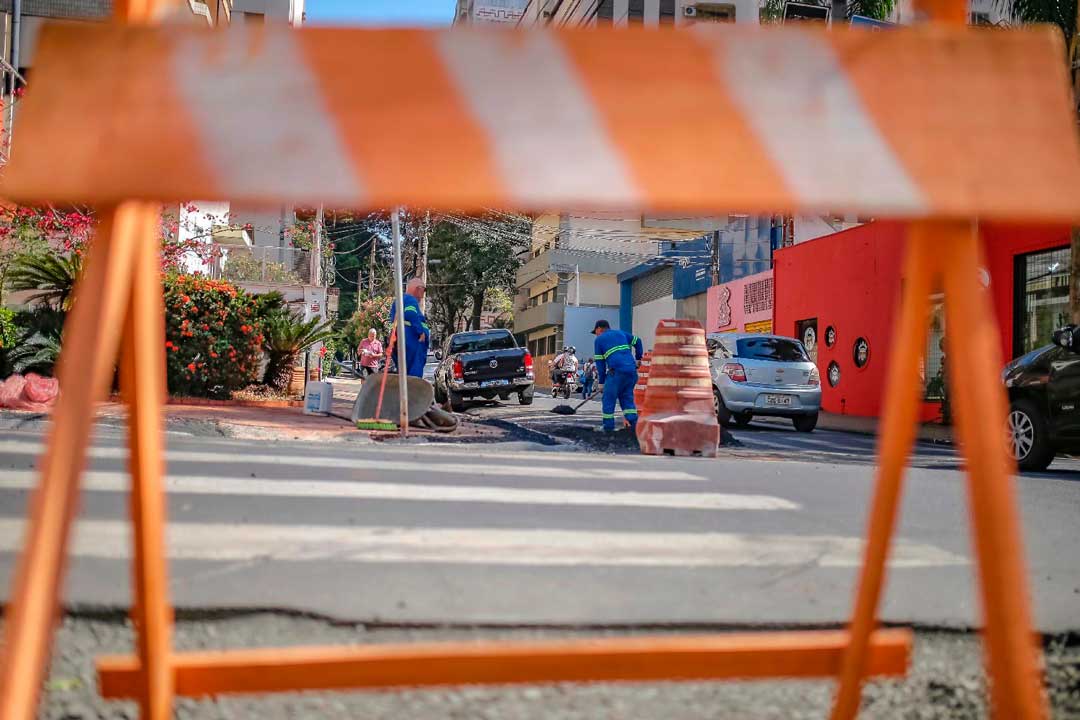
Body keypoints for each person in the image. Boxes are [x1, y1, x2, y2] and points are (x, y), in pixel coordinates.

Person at [592, 319, 638, 432]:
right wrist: (639, 358)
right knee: (627, 398)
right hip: (631, 372)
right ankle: (634, 426)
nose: (596, 335)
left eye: (596, 332)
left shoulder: (599, 340)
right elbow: (638, 341)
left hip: (616, 373)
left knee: (609, 398)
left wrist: (601, 382)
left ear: (599, 329)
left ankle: (608, 428)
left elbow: (600, 363)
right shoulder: (621, 333)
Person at [388, 278, 430, 378]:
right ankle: (413, 392)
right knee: (414, 372)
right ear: (418, 289)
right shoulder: (410, 299)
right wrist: (421, 332)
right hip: (413, 340)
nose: (423, 294)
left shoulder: (399, 300)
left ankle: (406, 391)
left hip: (401, 340)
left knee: (404, 372)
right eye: (424, 290)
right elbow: (410, 314)